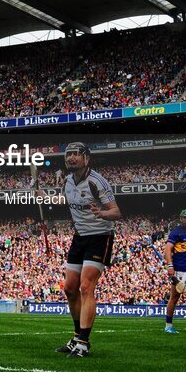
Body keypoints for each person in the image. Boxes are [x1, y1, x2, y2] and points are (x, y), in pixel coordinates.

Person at [54, 142, 122, 358]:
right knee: (69, 288)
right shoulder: (67, 181)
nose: (71, 158)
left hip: (100, 237)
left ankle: (84, 342)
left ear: (86, 158)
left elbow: (116, 212)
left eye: (76, 154)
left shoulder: (97, 182)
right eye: (68, 154)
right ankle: (76, 336)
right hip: (80, 237)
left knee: (86, 287)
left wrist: (101, 213)